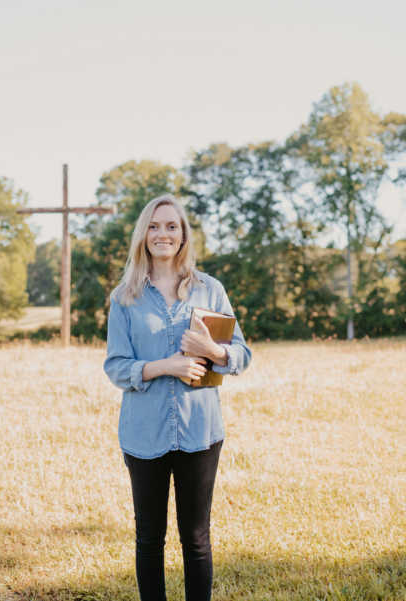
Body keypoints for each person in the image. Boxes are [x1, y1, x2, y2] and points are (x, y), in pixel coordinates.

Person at [104, 194, 252, 601]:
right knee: (149, 539)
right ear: (143, 235)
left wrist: (214, 351)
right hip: (144, 434)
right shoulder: (125, 297)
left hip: (199, 432)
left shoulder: (210, 289)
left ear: (183, 234)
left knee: (197, 539)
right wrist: (165, 365)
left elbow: (242, 355)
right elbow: (116, 366)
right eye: (154, 226)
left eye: (171, 226)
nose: (162, 234)